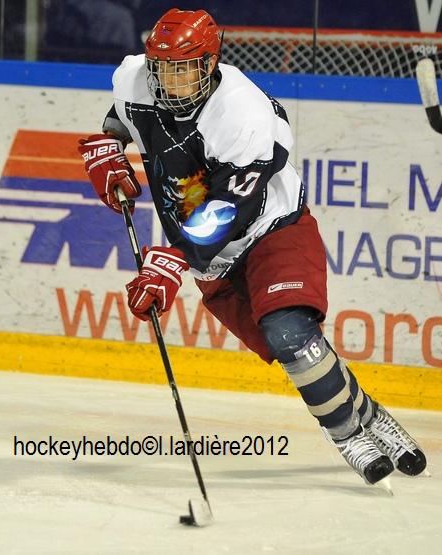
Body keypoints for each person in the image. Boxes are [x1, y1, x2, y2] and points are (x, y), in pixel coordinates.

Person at [78, 8, 426, 485]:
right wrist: (109, 147)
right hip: (211, 262)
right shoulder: (137, 77)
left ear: (209, 63)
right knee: (292, 349)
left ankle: (347, 434)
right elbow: (121, 114)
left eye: (183, 69)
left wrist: (174, 258)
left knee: (289, 331)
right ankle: (366, 411)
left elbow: (230, 207)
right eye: (162, 68)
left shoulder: (241, 113)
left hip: (269, 228)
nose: (170, 81)